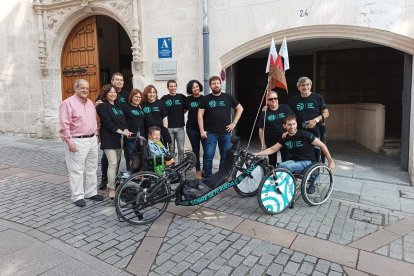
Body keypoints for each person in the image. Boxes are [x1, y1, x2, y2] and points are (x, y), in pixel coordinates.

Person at [255, 114, 335, 193]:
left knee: (286, 166)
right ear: (284, 126)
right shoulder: (285, 138)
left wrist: (330, 161)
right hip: (295, 161)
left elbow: (322, 145)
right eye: (289, 124)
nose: (292, 126)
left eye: (294, 124)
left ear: (296, 124)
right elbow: (272, 149)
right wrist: (257, 154)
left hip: (308, 162)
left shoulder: (305, 134)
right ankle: (281, 187)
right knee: (280, 166)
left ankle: (287, 189)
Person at [59, 79, 103, 207]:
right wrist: (69, 142)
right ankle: (77, 195)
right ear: (76, 88)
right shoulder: (67, 103)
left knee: (92, 168)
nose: (85, 90)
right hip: (77, 140)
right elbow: (64, 125)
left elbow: (93, 121)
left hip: (92, 139)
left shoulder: (90, 103)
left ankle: (91, 192)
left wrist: (96, 135)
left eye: (87, 88)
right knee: (77, 170)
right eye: (82, 88)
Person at [198, 76, 244, 178]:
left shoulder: (228, 97)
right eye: (213, 83)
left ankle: (221, 177)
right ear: (210, 86)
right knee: (208, 156)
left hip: (226, 133)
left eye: (217, 83)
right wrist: (202, 130)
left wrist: (234, 123)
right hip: (211, 133)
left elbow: (240, 108)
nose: (216, 85)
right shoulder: (206, 99)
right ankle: (208, 177)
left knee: (225, 156)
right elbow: (200, 115)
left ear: (220, 84)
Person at [96, 84, 132, 199]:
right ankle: (112, 189)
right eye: (110, 92)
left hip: (118, 139)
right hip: (108, 138)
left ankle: (112, 184)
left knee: (116, 164)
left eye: (115, 92)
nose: (113, 94)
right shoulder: (102, 106)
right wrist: (122, 132)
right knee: (112, 163)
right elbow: (107, 123)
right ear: (105, 93)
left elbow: (124, 121)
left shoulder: (118, 106)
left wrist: (126, 129)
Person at [258, 91, 294, 167]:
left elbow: (293, 121)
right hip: (271, 141)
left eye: (275, 98)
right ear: (267, 101)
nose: (273, 100)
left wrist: (288, 132)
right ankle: (273, 177)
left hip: (285, 139)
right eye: (270, 99)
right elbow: (261, 129)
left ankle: (286, 177)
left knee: (286, 161)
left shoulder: (285, 108)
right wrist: (263, 143)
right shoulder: (265, 112)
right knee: (272, 162)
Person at [161, 80, 187, 161]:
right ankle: (172, 167)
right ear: (168, 87)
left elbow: (186, 108)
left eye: (174, 86)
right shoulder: (164, 98)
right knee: (171, 149)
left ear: (176, 86)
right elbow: (161, 110)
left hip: (180, 128)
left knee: (181, 149)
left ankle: (181, 167)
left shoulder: (182, 97)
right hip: (169, 128)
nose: (173, 88)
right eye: (171, 86)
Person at [122, 89, 146, 171]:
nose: (138, 98)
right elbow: (122, 120)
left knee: (141, 157)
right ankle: (131, 177)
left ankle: (140, 175)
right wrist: (125, 129)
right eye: (136, 96)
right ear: (131, 97)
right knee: (131, 158)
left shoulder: (140, 108)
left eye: (139, 97)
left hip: (141, 136)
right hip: (131, 137)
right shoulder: (126, 107)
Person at [185, 80, 205, 179]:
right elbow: (182, 110)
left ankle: (205, 169)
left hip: (204, 129)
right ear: (190, 89)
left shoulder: (204, 98)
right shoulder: (188, 100)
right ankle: (197, 170)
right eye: (193, 87)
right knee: (195, 150)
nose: (195, 89)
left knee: (207, 150)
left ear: (199, 87)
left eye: (197, 86)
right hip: (191, 129)